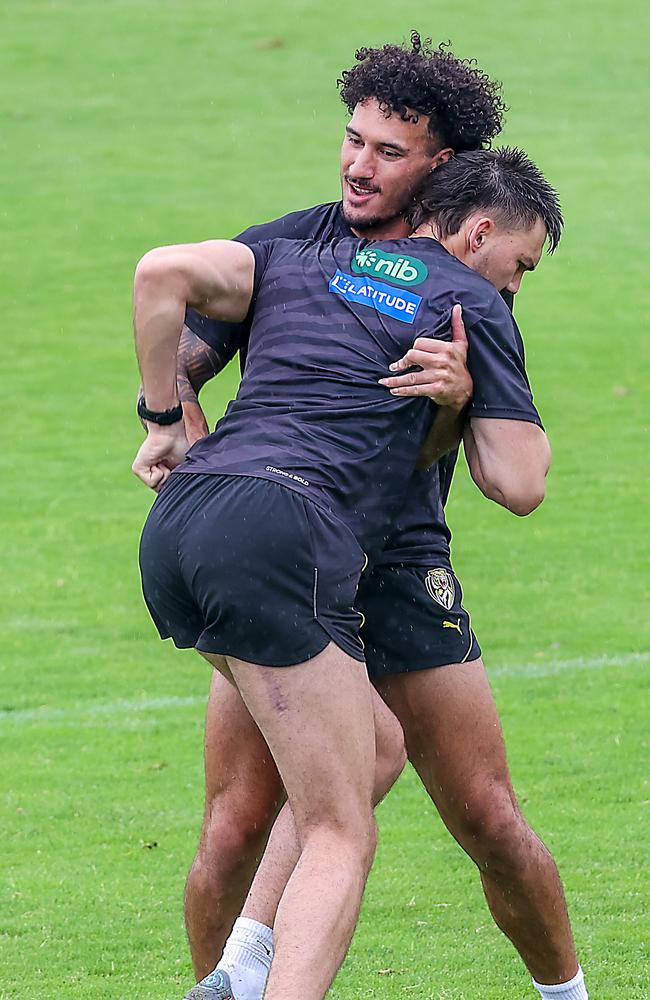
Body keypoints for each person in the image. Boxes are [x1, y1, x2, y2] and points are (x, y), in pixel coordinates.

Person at [158, 36, 587, 1000]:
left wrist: (464, 390)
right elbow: (178, 352)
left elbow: (508, 461)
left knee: (486, 817)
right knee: (233, 827)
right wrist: (181, 437)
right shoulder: (298, 239)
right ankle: (226, 984)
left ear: (445, 168)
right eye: (353, 140)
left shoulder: (478, 279)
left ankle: (568, 991)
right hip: (281, 543)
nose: (358, 165)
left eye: (389, 152)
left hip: (395, 556)